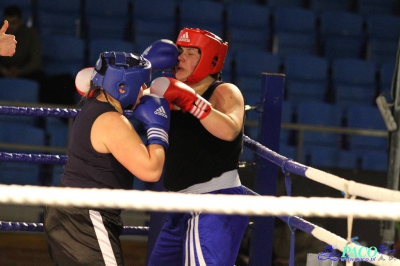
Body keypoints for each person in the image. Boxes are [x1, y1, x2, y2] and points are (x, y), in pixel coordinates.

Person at [43, 51, 170, 265]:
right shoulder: (112, 120)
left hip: (72, 213)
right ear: (123, 86)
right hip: (85, 216)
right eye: (140, 84)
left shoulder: (93, 107)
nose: (144, 90)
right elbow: (151, 170)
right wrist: (158, 128)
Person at [147, 28, 249, 266]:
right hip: (181, 208)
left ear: (210, 59)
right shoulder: (167, 92)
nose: (180, 57)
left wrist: (190, 101)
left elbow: (230, 129)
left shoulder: (224, 91)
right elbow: (124, 97)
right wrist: (145, 70)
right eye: (179, 51)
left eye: (190, 53)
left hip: (215, 204)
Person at [0, 5, 44, 82]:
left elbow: (35, 61)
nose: (10, 26)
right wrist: (2, 70)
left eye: (13, 23)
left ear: (21, 22)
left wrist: (20, 71)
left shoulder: (31, 34)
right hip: (2, 69)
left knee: (39, 75)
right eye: (7, 23)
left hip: (23, 69)